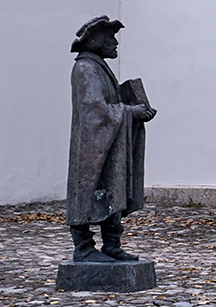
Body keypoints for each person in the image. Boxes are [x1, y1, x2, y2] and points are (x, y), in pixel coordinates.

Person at [66, 15, 155, 261]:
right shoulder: (85, 68)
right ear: (94, 40)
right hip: (92, 148)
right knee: (91, 189)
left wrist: (135, 110)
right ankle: (83, 249)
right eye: (110, 37)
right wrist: (130, 111)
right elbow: (96, 110)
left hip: (108, 143)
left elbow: (107, 106)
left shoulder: (97, 66)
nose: (115, 43)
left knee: (111, 188)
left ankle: (111, 245)